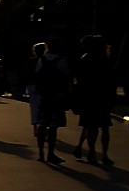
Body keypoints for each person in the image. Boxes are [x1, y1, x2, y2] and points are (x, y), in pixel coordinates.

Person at [69, 35, 116, 166]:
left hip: (88, 96)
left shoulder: (85, 59)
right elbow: (111, 81)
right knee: (105, 127)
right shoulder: (106, 60)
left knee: (91, 126)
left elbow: (78, 78)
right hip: (103, 96)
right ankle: (105, 154)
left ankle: (92, 152)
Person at [30, 41, 71, 163]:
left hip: (44, 96)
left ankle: (41, 153)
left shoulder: (41, 60)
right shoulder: (61, 61)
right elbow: (66, 78)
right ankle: (51, 153)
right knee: (53, 126)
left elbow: (37, 76)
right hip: (56, 96)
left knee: (42, 124)